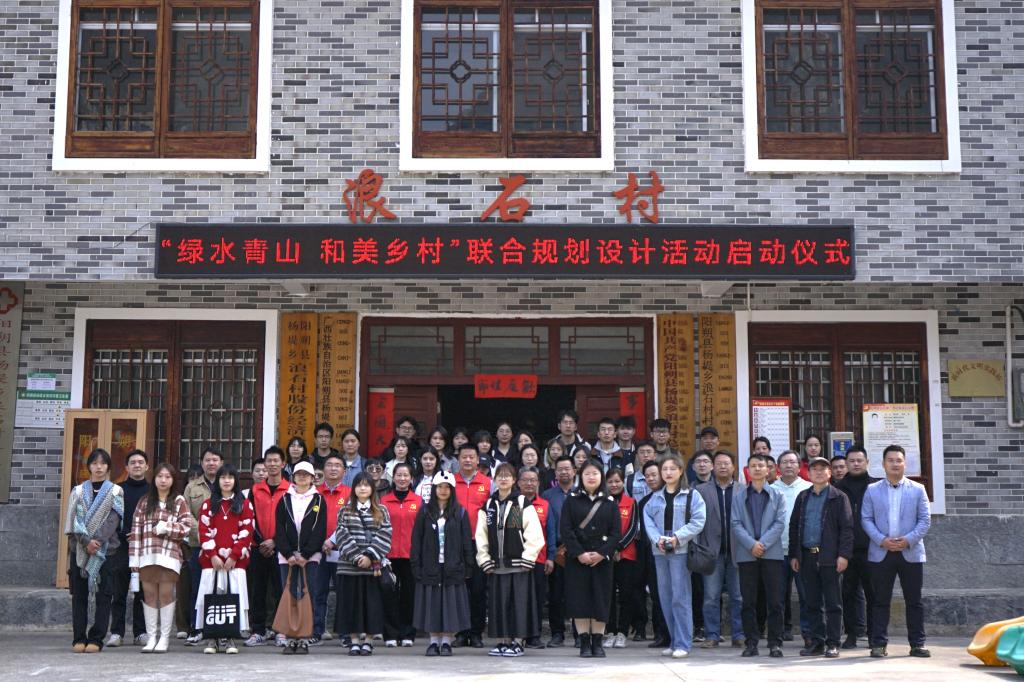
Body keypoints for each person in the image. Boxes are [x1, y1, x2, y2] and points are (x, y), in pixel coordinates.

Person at [861, 444, 932, 659]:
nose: (895, 464)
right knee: (880, 600)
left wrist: (908, 540)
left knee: (914, 601)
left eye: (898, 460)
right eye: (890, 460)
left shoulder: (918, 489)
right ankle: (878, 644)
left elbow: (925, 520)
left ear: (905, 463)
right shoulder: (872, 490)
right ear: (883, 464)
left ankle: (917, 644)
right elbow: (866, 519)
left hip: (910, 552)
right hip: (881, 552)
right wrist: (882, 540)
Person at [476, 462, 544, 658]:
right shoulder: (489, 505)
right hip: (497, 565)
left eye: (508, 476)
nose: (503, 479)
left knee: (518, 605)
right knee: (499, 604)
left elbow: (534, 533)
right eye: (500, 476)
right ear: (495, 479)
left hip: (518, 565)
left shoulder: (521, 503)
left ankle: (517, 642)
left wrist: (528, 557)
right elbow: (481, 535)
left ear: (514, 480)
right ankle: (503, 641)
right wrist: (484, 559)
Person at [788, 456, 853, 658]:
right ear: (808, 473)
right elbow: (794, 527)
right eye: (814, 469)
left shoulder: (838, 497)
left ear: (829, 473)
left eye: (822, 468)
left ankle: (833, 643)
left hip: (830, 558)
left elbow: (847, 529)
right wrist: (794, 554)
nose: (818, 472)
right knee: (812, 603)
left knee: (833, 603)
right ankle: (817, 642)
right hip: (807, 556)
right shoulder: (802, 497)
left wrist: (843, 555)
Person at [642, 455, 706, 659]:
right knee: (665, 597)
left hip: (681, 550)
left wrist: (678, 537)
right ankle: (673, 640)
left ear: (681, 471)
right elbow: (647, 519)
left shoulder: (692, 495)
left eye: (672, 468)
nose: (668, 473)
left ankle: (683, 643)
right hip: (660, 551)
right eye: (664, 469)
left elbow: (698, 521)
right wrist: (657, 539)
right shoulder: (655, 497)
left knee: (681, 597)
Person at [129, 462, 193, 654]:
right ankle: (152, 637)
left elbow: (187, 527)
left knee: (166, 595)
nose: (163, 480)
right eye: (160, 476)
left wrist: (166, 527)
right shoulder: (144, 501)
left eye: (167, 477)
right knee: (149, 596)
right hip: (146, 555)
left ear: (173, 480)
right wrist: (134, 560)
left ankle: (164, 638)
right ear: (154, 478)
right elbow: (136, 531)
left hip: (169, 556)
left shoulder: (179, 500)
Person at [65, 448, 124, 653]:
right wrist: (85, 542)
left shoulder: (116, 491)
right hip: (80, 550)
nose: (99, 467)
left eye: (103, 463)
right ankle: (78, 638)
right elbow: (74, 519)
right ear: (89, 466)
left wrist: (96, 541)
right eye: (95, 463)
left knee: (104, 596)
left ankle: (97, 638)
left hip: (106, 551)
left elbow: (113, 519)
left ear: (108, 467)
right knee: (79, 596)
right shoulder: (78, 491)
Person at [560, 461, 621, 658]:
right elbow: (566, 530)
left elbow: (616, 533)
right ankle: (584, 642)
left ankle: (598, 642)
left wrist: (602, 553)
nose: (591, 477)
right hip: (577, 559)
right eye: (587, 474)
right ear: (580, 476)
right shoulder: (571, 501)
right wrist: (580, 553)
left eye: (595, 473)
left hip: (602, 560)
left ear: (601, 476)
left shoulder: (610, 503)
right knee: (580, 600)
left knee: (600, 600)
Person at [410, 471, 474, 657]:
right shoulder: (424, 512)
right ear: (434, 489)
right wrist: (416, 564)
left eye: (447, 487)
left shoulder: (460, 512)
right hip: (430, 566)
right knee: (432, 605)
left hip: (452, 567)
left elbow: (466, 541)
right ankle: (433, 642)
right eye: (440, 487)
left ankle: (446, 642)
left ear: (452, 490)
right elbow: (416, 540)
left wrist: (468, 565)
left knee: (449, 605)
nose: (443, 490)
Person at [731, 453, 787, 658]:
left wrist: (762, 544)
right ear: (747, 470)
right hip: (747, 554)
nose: (756, 469)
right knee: (748, 601)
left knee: (775, 601)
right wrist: (751, 544)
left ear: (768, 469)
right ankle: (751, 642)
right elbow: (735, 523)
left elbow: (780, 523)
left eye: (760, 465)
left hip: (772, 554)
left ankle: (775, 643)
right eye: (753, 465)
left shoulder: (778, 495)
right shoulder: (739, 496)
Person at [332, 472, 393, 656]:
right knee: (351, 605)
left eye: (366, 485)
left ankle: (368, 641)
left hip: (373, 568)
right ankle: (354, 641)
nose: (363, 488)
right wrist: (358, 557)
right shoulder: (344, 510)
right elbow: (341, 534)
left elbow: (385, 534)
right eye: (359, 485)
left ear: (372, 489)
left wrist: (369, 555)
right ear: (354, 489)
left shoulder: (382, 510)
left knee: (372, 605)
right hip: (349, 566)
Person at [195, 463, 253, 655]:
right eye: (222, 477)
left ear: (235, 480)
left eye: (230, 477)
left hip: (235, 562)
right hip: (212, 562)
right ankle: (212, 637)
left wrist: (234, 555)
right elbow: (203, 531)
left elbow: (247, 531)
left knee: (233, 598)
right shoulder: (208, 504)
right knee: (211, 597)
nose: (226, 481)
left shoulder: (244, 504)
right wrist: (213, 555)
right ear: (217, 481)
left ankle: (230, 638)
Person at [274, 461, 326, 655]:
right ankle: (289, 637)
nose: (302, 477)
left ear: (312, 478)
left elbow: (319, 530)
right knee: (289, 594)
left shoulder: (319, 500)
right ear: (293, 477)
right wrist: (288, 553)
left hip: (310, 557)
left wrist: (305, 554)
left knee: (308, 594)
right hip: (286, 557)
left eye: (306, 474)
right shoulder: (284, 499)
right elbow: (279, 528)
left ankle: (304, 638)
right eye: (299, 474)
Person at [244, 446, 290, 647]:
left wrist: (275, 541)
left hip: (281, 548)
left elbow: (291, 521)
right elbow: (249, 517)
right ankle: (258, 630)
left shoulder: (290, 490)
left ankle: (281, 631)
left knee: (280, 590)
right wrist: (262, 540)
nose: (272, 464)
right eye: (268, 461)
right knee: (258, 590)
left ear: (283, 464)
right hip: (258, 547)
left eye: (275, 461)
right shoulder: (255, 490)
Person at [834, 445, 878, 649]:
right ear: (846, 464)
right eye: (851, 461)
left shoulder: (876, 486)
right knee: (848, 593)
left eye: (860, 460)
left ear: (867, 462)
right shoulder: (838, 488)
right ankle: (851, 634)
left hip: (872, 548)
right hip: (847, 550)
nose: (856, 464)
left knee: (873, 594)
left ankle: (874, 635)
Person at [697, 452, 740, 649]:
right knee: (711, 597)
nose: (723, 466)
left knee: (738, 596)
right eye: (719, 463)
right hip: (711, 552)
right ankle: (712, 635)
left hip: (737, 551)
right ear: (713, 467)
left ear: (733, 467)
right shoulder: (701, 490)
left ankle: (739, 635)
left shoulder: (742, 490)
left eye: (726, 463)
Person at [108, 448, 149, 648]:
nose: (137, 465)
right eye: (133, 462)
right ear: (126, 467)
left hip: (145, 548)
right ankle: (117, 632)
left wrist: (141, 535)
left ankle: (140, 632)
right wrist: (124, 533)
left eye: (140, 462)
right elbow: (110, 518)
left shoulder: (152, 490)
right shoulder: (117, 490)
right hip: (121, 547)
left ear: (147, 466)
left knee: (143, 593)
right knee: (119, 592)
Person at [452, 443, 492, 649]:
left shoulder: (488, 483)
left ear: (478, 460)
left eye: (471, 457)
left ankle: (476, 633)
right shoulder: (450, 482)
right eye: (464, 457)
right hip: (456, 542)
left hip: (480, 542)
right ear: (458, 460)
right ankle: (460, 633)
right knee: (458, 588)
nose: (468, 460)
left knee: (478, 588)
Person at [182, 447, 223, 646]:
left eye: (215, 460)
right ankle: (196, 628)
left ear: (221, 463)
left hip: (223, 548)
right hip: (198, 545)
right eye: (208, 460)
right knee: (198, 587)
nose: (211, 463)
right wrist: (204, 533)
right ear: (202, 463)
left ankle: (220, 629)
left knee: (222, 588)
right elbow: (185, 514)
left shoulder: (227, 484)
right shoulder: (192, 487)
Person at [771, 449, 812, 644]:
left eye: (792, 462)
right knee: (778, 596)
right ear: (778, 467)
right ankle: (779, 633)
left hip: (801, 552)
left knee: (806, 595)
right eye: (785, 462)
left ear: (799, 466)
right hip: (776, 550)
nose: (789, 465)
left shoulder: (809, 488)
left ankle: (808, 634)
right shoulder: (771, 489)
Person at [381, 463, 423, 647]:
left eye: (406, 475)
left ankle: (407, 634)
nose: (402, 478)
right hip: (388, 555)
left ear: (411, 478)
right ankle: (390, 634)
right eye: (399, 475)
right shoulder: (384, 501)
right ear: (393, 477)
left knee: (409, 596)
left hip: (410, 556)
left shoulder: (418, 501)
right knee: (388, 594)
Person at [314, 452, 351, 645]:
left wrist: (332, 541)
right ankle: (317, 631)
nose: (333, 468)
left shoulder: (350, 493)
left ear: (344, 471)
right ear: (323, 470)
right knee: (318, 592)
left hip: (342, 551)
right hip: (318, 551)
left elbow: (349, 522)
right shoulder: (314, 493)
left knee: (343, 594)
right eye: (329, 465)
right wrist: (321, 542)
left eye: (338, 465)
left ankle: (345, 634)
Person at [541, 453, 576, 648]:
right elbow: (547, 526)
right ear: (555, 473)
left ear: (574, 471)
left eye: (567, 469)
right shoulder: (547, 495)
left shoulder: (581, 492)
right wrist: (551, 552)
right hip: (556, 549)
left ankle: (580, 634)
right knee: (556, 594)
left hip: (578, 550)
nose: (564, 472)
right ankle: (557, 633)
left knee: (578, 593)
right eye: (560, 469)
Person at [517, 465, 554, 650]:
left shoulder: (545, 505)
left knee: (537, 598)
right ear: (518, 483)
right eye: (525, 480)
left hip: (539, 559)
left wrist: (551, 557)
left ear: (538, 483)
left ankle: (535, 636)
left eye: (533, 480)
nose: (529, 483)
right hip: (518, 560)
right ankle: (519, 634)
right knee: (519, 599)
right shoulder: (514, 504)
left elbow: (550, 533)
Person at [604, 468, 640, 649]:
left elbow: (633, 529)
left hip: (626, 555)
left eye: (617, 481)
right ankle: (610, 631)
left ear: (623, 482)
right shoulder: (602, 503)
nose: (614, 485)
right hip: (606, 556)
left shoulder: (631, 502)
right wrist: (610, 549)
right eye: (610, 481)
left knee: (626, 595)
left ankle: (622, 632)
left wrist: (618, 547)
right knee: (608, 595)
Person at [636, 460, 669, 648]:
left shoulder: (673, 497)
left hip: (673, 552)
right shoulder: (643, 502)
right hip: (651, 554)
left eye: (654, 475)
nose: (650, 479)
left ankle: (675, 633)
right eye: (647, 476)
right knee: (657, 595)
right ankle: (660, 633)